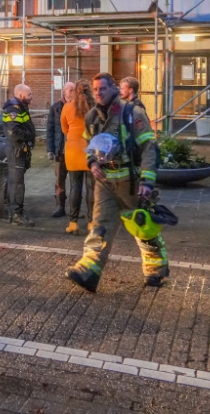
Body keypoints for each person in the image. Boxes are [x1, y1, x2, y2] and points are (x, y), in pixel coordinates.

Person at [65, 72, 164, 292]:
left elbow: (149, 147)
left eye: (103, 88)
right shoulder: (92, 117)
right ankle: (89, 271)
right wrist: (92, 164)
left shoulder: (132, 113)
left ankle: (156, 270)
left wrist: (147, 181)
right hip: (106, 183)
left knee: (142, 228)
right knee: (100, 227)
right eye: (96, 89)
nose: (99, 93)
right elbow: (90, 147)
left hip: (131, 183)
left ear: (114, 89)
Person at [61, 79, 95, 234]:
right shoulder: (95, 108)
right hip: (91, 149)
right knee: (91, 188)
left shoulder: (67, 107)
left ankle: (73, 223)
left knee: (75, 187)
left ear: (75, 91)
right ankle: (91, 223)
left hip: (73, 150)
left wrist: (73, 136)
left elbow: (64, 128)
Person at [3, 84, 37, 227]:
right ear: (21, 95)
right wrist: (29, 136)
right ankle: (16, 215)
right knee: (17, 184)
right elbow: (14, 132)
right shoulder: (14, 109)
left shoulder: (20, 107)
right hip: (16, 150)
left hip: (19, 150)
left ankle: (13, 212)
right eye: (29, 94)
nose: (31, 96)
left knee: (15, 181)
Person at [47, 83, 73, 217]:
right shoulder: (55, 108)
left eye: (75, 90)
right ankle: (60, 206)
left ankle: (75, 209)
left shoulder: (78, 108)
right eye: (71, 90)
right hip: (60, 151)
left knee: (75, 182)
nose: (73, 93)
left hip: (74, 152)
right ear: (64, 92)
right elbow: (50, 129)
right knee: (59, 181)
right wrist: (50, 149)